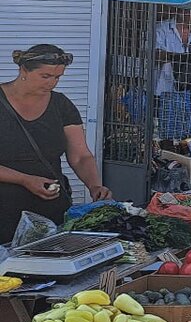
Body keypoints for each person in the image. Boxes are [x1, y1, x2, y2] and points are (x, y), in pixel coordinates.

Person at [0, 46, 111, 242]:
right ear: (24, 70)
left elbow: (80, 156)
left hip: (50, 211)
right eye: (45, 76)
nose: (52, 83)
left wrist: (94, 185)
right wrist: (25, 179)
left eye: (57, 77)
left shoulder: (61, 105)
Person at [153, 8, 191, 139]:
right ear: (184, 13)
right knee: (162, 131)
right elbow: (154, 56)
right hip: (163, 90)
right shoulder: (161, 29)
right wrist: (181, 58)